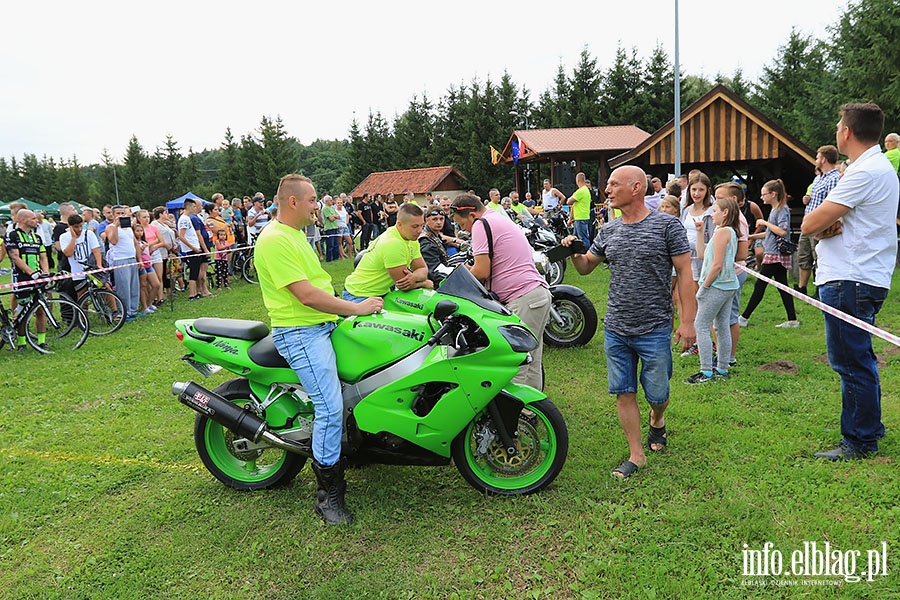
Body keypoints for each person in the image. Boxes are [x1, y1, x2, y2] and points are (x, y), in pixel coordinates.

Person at [255, 174, 383, 524]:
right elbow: (306, 296)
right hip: (301, 333)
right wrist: (355, 308)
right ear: (293, 202)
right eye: (313, 200)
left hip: (322, 325)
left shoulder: (294, 234)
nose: (318, 206)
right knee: (328, 406)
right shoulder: (274, 240)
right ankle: (328, 497)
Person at [561, 165, 696, 479]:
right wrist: (573, 252)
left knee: (658, 394)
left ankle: (657, 419)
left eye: (612, 184)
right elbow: (585, 268)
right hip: (617, 327)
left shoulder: (667, 226)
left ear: (636, 187)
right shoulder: (608, 230)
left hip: (655, 326)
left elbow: (686, 275)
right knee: (624, 391)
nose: (606, 190)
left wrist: (687, 321)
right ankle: (637, 455)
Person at [801, 102, 899, 461]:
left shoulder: (864, 172)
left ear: (847, 132)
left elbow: (810, 224)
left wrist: (821, 224)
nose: (837, 129)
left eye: (839, 124)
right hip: (862, 275)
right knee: (861, 357)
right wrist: (827, 224)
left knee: (850, 361)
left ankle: (859, 440)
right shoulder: (874, 167)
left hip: (850, 277)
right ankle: (870, 427)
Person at [451, 192, 552, 389]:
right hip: (536, 294)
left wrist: (461, 271)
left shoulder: (481, 224)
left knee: (516, 362)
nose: (463, 230)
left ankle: (517, 415)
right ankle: (531, 411)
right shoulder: (496, 217)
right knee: (532, 359)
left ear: (471, 215)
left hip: (522, 298)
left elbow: (481, 271)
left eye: (462, 225)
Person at [685, 196, 741, 384]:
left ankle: (706, 371)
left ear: (725, 213)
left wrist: (704, 286)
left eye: (715, 211)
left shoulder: (723, 232)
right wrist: (700, 232)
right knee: (721, 326)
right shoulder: (726, 232)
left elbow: (716, 266)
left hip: (717, 286)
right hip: (728, 286)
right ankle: (722, 368)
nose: (712, 214)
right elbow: (701, 255)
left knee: (701, 326)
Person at [738, 179, 798, 328]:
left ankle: (744, 318)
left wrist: (764, 223)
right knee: (783, 287)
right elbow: (771, 233)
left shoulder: (782, 210)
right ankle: (792, 320)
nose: (761, 197)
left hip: (776, 255)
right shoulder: (775, 210)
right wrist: (751, 236)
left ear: (773, 194)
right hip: (773, 254)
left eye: (764, 194)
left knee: (760, 285)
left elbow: (782, 232)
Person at [343, 203, 433, 301]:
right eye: (415, 226)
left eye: (422, 226)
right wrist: (425, 283)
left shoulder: (411, 239)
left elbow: (422, 269)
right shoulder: (393, 243)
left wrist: (414, 277)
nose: (420, 231)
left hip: (379, 293)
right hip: (359, 294)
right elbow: (404, 284)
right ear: (399, 224)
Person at [796, 146, 841, 296]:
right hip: (808, 224)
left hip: (820, 226)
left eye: (817, 157)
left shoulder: (834, 178)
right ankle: (802, 288)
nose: (815, 160)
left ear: (823, 159)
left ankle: (819, 288)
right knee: (803, 256)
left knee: (819, 257)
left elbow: (833, 204)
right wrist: (807, 199)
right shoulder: (818, 178)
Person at [5, 209, 49, 349]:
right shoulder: (12, 235)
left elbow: (43, 256)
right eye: (33, 218)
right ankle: (22, 343)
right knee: (21, 311)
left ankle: (42, 341)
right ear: (23, 220)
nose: (37, 221)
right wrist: (31, 273)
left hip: (37, 276)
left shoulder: (37, 237)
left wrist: (45, 273)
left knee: (40, 309)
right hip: (22, 277)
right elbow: (15, 257)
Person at [106, 205, 141, 320]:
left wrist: (139, 259)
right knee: (124, 287)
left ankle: (133, 310)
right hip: (120, 260)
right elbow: (113, 241)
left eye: (122, 213)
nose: (120, 215)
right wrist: (116, 226)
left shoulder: (128, 227)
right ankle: (124, 311)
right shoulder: (110, 227)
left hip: (132, 258)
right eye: (118, 213)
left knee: (134, 286)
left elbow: (135, 243)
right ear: (113, 215)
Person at [418, 205, 464, 285]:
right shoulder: (426, 241)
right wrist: (457, 276)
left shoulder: (435, 235)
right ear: (427, 220)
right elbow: (434, 270)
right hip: (433, 284)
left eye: (441, 219)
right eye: (434, 219)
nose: (439, 222)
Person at [177, 198, 208, 301]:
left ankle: (195, 292)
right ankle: (192, 294)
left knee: (196, 270)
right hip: (192, 250)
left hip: (195, 248)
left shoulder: (187, 218)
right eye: (194, 206)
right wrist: (193, 248)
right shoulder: (184, 219)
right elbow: (181, 236)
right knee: (193, 272)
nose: (195, 208)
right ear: (189, 207)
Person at [566, 172, 592, 248]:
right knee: (575, 238)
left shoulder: (581, 191)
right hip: (583, 216)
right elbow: (574, 205)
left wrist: (573, 195)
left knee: (583, 239)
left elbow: (568, 201)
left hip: (580, 218)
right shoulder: (586, 190)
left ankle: (586, 253)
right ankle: (576, 252)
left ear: (577, 180)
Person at [320, 195, 341, 262]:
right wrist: (334, 216)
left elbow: (338, 216)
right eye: (330, 200)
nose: (332, 201)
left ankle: (336, 258)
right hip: (329, 229)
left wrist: (334, 216)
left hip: (335, 227)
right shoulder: (325, 208)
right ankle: (329, 259)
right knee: (330, 245)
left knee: (336, 245)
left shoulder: (332, 207)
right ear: (326, 201)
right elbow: (331, 219)